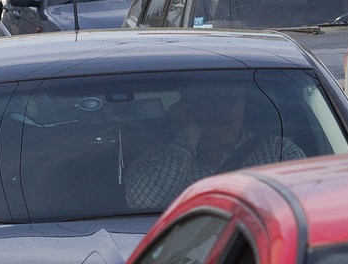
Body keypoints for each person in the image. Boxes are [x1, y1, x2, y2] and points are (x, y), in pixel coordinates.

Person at [123, 81, 305, 211]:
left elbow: (309, 202)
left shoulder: (278, 152)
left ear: (243, 105)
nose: (220, 111)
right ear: (189, 109)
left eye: (230, 100)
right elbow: (144, 202)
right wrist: (189, 136)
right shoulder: (158, 159)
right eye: (208, 101)